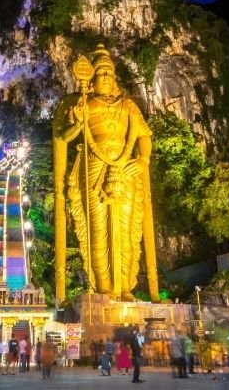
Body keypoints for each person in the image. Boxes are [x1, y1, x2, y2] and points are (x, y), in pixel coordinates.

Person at [53, 45, 159, 301]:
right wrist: (77, 122)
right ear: (91, 78)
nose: (106, 78)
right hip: (93, 168)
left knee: (126, 229)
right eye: (101, 74)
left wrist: (143, 159)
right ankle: (103, 288)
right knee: (96, 230)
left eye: (110, 74)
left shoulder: (129, 106)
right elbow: (63, 136)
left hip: (125, 170)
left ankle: (125, 287)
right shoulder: (83, 104)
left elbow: (144, 136)